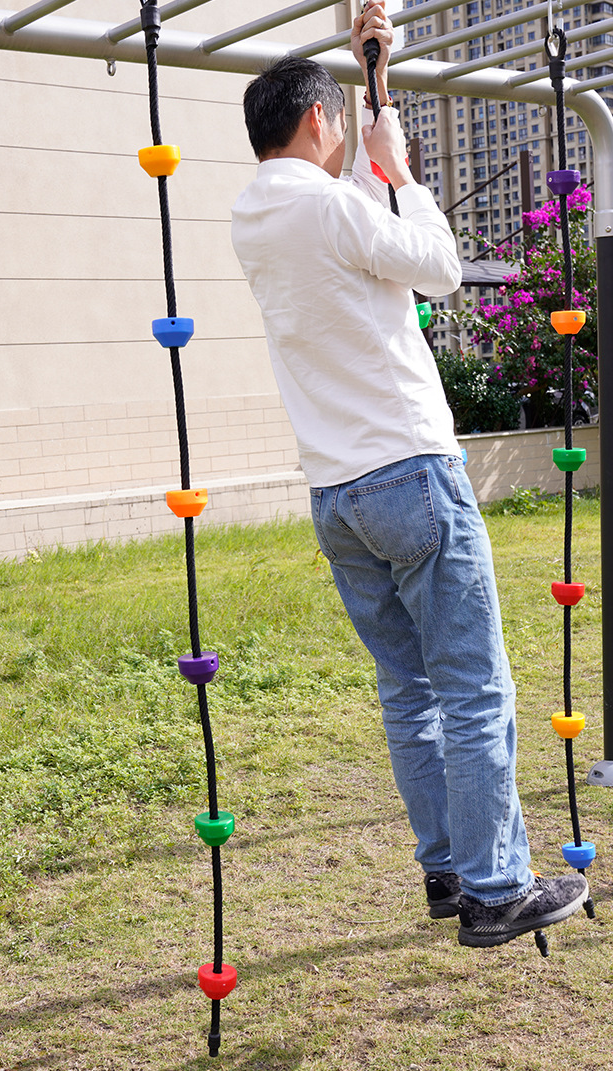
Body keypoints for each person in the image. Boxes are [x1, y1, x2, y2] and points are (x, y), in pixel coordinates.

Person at [230, 1, 588, 947]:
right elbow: (438, 269)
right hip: (411, 475)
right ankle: (496, 886)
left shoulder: (256, 215)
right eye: (340, 121)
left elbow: (358, 235)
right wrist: (403, 176)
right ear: (317, 123)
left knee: (410, 692)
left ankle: (447, 870)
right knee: (474, 688)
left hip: (336, 494)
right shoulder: (336, 203)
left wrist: (373, 111)